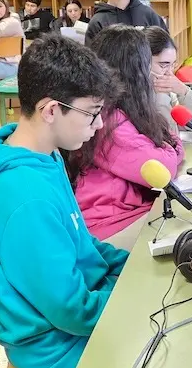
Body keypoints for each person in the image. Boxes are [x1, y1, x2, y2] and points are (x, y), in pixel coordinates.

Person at [0, 35, 192, 368]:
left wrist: (138, 269)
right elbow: (70, 310)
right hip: (52, 343)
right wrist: (140, 303)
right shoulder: (24, 196)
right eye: (91, 113)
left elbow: (85, 246)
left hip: (72, 316)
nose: (100, 123)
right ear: (51, 110)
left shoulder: (45, 158)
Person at [66, 25, 184, 241]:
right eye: (152, 64)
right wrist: (170, 147)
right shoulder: (109, 121)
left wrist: (168, 144)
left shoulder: (121, 110)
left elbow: (168, 137)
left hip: (122, 215)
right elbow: (162, 170)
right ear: (136, 71)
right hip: (109, 226)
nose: (161, 73)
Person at [144, 26, 192, 130]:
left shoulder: (169, 91)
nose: (169, 73)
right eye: (163, 65)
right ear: (143, 62)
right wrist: (161, 98)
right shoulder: (130, 95)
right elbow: (167, 137)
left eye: (173, 65)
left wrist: (184, 92)